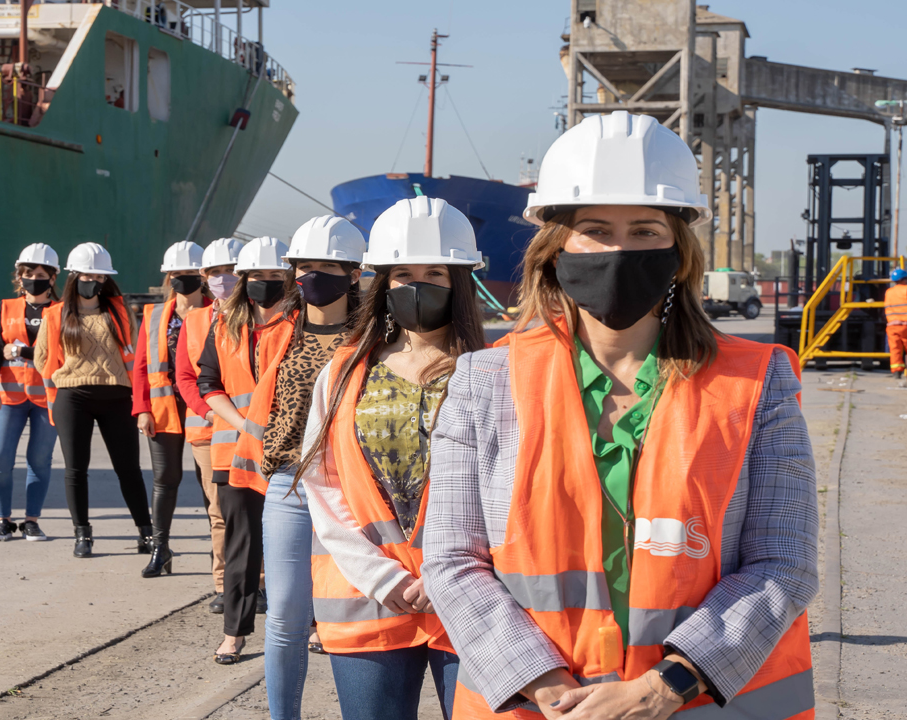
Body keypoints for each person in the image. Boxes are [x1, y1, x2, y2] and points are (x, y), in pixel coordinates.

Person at [421, 112, 818, 720]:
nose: (618, 249)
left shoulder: (757, 383)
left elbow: (783, 561)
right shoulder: (483, 383)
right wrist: (548, 685)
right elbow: (452, 560)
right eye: (595, 229)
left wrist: (659, 690)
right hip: (541, 706)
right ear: (556, 250)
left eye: (645, 229)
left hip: (699, 703)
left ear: (678, 253)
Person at [297, 198, 484, 720]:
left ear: (459, 282)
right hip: (369, 593)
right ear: (382, 281)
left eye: (435, 273)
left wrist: (448, 575)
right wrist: (386, 578)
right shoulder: (343, 372)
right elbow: (325, 488)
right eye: (403, 273)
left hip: (471, 594)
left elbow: (509, 487)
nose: (418, 285)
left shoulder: (494, 371)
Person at [228, 216, 364, 718]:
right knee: (285, 615)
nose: (312, 277)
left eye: (326, 266)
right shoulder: (279, 332)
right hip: (289, 483)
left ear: (353, 274)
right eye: (304, 267)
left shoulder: (377, 331)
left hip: (355, 487)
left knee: (357, 612)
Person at [197, 236, 290, 664]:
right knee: (241, 546)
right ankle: (234, 632)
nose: (266, 283)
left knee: (297, 543)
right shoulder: (225, 326)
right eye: (258, 276)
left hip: (291, 454)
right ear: (245, 279)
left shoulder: (301, 326)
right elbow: (208, 385)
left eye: (276, 276)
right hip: (233, 453)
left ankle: (309, 623)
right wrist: (247, 426)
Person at [34, 242, 152, 558]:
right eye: (88, 275)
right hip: (73, 397)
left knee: (129, 468)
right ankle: (82, 535)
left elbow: (134, 356)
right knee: (76, 468)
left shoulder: (119, 311)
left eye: (100, 277)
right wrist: (57, 391)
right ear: (74, 276)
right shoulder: (56, 313)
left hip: (117, 395)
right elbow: (42, 358)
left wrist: (140, 401)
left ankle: (147, 533)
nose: (94, 282)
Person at [175, 238, 247, 612]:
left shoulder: (259, 316)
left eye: (231, 270)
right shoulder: (196, 320)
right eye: (216, 272)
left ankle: (260, 582)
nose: (225, 278)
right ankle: (224, 585)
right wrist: (209, 412)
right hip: (208, 432)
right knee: (219, 512)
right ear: (204, 277)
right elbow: (186, 377)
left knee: (259, 509)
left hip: (253, 432)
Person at [133, 241, 210, 576]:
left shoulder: (215, 311)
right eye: (178, 274)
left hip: (203, 406)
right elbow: (139, 367)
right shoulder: (154, 317)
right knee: (165, 479)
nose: (184, 279)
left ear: (202, 276)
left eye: (191, 273)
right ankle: (160, 548)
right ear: (168, 278)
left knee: (210, 481)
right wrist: (142, 409)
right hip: (163, 407)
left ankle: (218, 552)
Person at [0, 243, 61, 542]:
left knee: (39, 460)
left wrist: (22, 351)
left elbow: (59, 351)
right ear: (19, 276)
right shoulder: (4, 307)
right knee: (0, 458)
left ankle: (31, 521)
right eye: (28, 273)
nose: (33, 278)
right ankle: (2, 519)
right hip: (8, 396)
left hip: (47, 398)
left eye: (40, 273)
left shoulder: (62, 310)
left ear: (52, 278)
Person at [886, 267, 907, 381]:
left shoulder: (889, 292)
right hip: (905, 325)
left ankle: (896, 372)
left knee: (895, 349)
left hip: (892, 326)